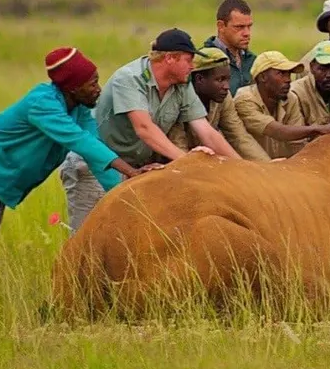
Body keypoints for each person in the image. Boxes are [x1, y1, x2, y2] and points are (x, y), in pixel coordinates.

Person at [0, 47, 143, 297]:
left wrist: (121, 195)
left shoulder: (79, 110)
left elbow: (96, 153)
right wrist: (129, 170)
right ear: (72, 88)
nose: (99, 88)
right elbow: (82, 142)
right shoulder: (42, 103)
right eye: (92, 82)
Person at [60, 29, 242, 231]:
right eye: (188, 60)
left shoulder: (181, 84)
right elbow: (144, 128)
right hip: (94, 166)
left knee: (127, 238)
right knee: (87, 240)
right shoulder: (129, 78)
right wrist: (190, 163)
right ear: (170, 58)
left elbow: (206, 131)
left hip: (133, 169)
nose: (192, 66)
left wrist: (243, 169)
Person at [234, 51, 330, 159]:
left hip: (280, 167)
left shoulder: (290, 99)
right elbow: (277, 131)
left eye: (289, 74)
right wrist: (319, 129)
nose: (288, 80)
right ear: (263, 77)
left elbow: (297, 144)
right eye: (281, 73)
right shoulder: (245, 99)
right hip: (248, 169)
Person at [167, 48, 271, 162]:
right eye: (220, 80)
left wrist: (265, 165)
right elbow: (178, 144)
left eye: (228, 79)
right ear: (199, 79)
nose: (226, 86)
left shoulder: (224, 97)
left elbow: (238, 136)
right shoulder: (178, 99)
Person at [202, 0, 256, 96]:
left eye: (249, 26)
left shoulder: (253, 61)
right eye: (239, 27)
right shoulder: (205, 62)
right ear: (221, 26)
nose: (247, 33)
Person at [291, 40, 330, 126]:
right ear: (311, 67)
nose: (329, 75)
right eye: (323, 69)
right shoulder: (296, 93)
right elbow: (295, 135)